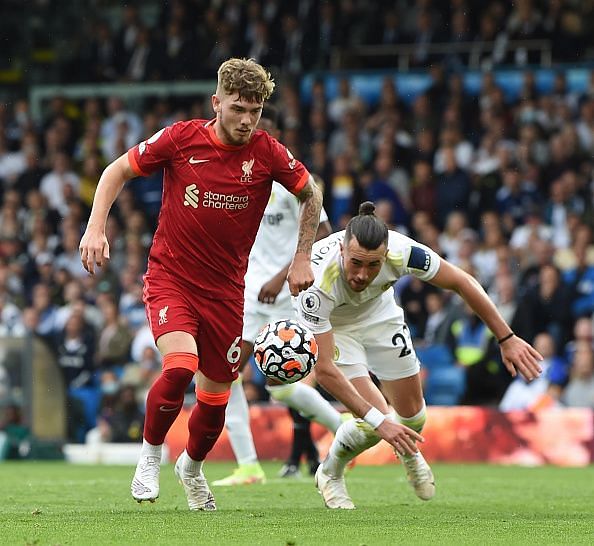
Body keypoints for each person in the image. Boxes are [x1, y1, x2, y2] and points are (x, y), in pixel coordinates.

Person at [78, 58, 325, 511]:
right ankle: (150, 455)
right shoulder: (180, 139)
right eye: (238, 109)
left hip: (228, 293)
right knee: (178, 366)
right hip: (172, 279)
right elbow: (116, 171)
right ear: (217, 103)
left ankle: (190, 468)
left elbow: (312, 193)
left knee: (214, 401)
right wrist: (96, 228)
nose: (247, 120)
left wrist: (303, 255)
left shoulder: (268, 153)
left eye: (255, 111)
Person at [295, 201, 543, 509]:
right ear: (343, 250)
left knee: (414, 417)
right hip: (336, 328)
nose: (362, 274)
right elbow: (325, 370)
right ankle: (330, 472)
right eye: (356, 262)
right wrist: (379, 421)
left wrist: (506, 337)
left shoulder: (402, 250)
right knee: (376, 420)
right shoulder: (316, 285)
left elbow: (461, 282)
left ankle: (409, 450)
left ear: (385, 256)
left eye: (373, 265)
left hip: (380, 317)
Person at [211, 104, 340, 487]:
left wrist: (281, 275)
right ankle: (340, 430)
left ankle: (339, 427)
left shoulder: (295, 181)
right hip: (249, 293)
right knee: (244, 378)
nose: (253, 137)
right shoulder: (242, 179)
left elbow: (325, 234)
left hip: (285, 295)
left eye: (263, 131)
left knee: (255, 380)